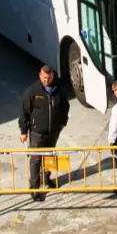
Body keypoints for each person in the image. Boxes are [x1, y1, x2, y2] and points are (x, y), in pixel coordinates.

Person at [18, 64, 70, 201]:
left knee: (49, 156)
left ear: (53, 76)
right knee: (35, 160)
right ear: (40, 76)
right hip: (37, 132)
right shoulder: (32, 91)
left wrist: (63, 122)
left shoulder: (58, 90)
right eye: (45, 78)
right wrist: (23, 131)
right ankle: (35, 187)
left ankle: (46, 179)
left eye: (49, 77)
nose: (47, 80)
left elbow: (65, 106)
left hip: (53, 131)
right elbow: (24, 113)